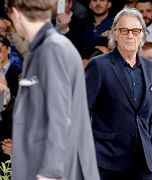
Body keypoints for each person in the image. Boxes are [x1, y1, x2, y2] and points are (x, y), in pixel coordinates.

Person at [7, 0, 100, 179]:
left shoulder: (52, 49)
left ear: (14, 13)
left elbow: (59, 114)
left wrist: (51, 170)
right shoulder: (45, 48)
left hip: (52, 171)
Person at [85, 8, 152, 179]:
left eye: (135, 31)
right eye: (124, 30)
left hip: (142, 162)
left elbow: (146, 115)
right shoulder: (99, 65)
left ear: (142, 35)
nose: (130, 36)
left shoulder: (151, 68)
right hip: (106, 161)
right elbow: (81, 111)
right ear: (115, 34)